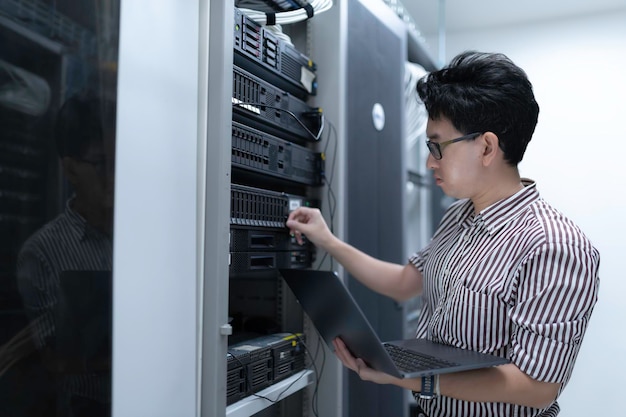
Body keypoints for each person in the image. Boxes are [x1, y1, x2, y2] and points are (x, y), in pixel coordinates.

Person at [286, 51, 600, 417]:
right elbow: (405, 282)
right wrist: (328, 241)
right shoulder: (457, 217)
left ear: (486, 147)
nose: (429, 162)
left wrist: (409, 378)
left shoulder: (555, 247)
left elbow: (537, 388)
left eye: (437, 146)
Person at [14, 92, 115, 417]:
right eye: (101, 164)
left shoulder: (149, 233)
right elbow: (56, 360)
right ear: (70, 170)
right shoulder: (42, 253)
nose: (114, 176)